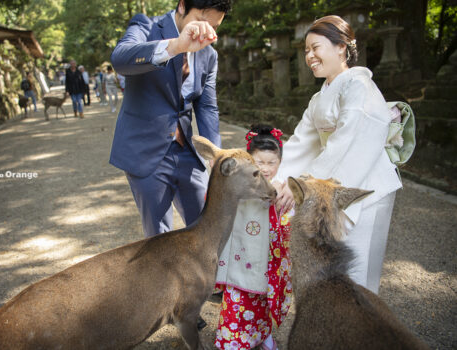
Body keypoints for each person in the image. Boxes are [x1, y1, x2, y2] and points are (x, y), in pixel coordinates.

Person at [273, 15, 402, 294]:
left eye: (315, 47)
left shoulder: (359, 85)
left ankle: (364, 333)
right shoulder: (320, 97)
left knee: (362, 273)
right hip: (334, 185)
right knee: (340, 272)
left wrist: (306, 181)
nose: (310, 56)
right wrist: (282, 180)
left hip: (369, 187)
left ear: (341, 47)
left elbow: (348, 140)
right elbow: (302, 142)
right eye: (306, 50)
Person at [110, 0, 231, 238]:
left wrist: (216, 155)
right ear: (183, 6)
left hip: (187, 150)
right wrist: (175, 46)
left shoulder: (209, 54)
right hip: (146, 152)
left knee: (207, 229)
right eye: (204, 22)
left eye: (215, 26)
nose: (208, 31)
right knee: (159, 240)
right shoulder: (145, 26)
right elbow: (120, 59)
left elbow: (206, 106)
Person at [214, 125, 292, 350]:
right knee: (238, 304)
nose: (266, 169)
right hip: (242, 257)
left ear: (279, 162)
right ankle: (231, 343)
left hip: (266, 261)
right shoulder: (239, 182)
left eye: (272, 163)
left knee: (262, 303)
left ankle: (262, 336)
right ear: (249, 159)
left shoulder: (282, 187)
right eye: (260, 162)